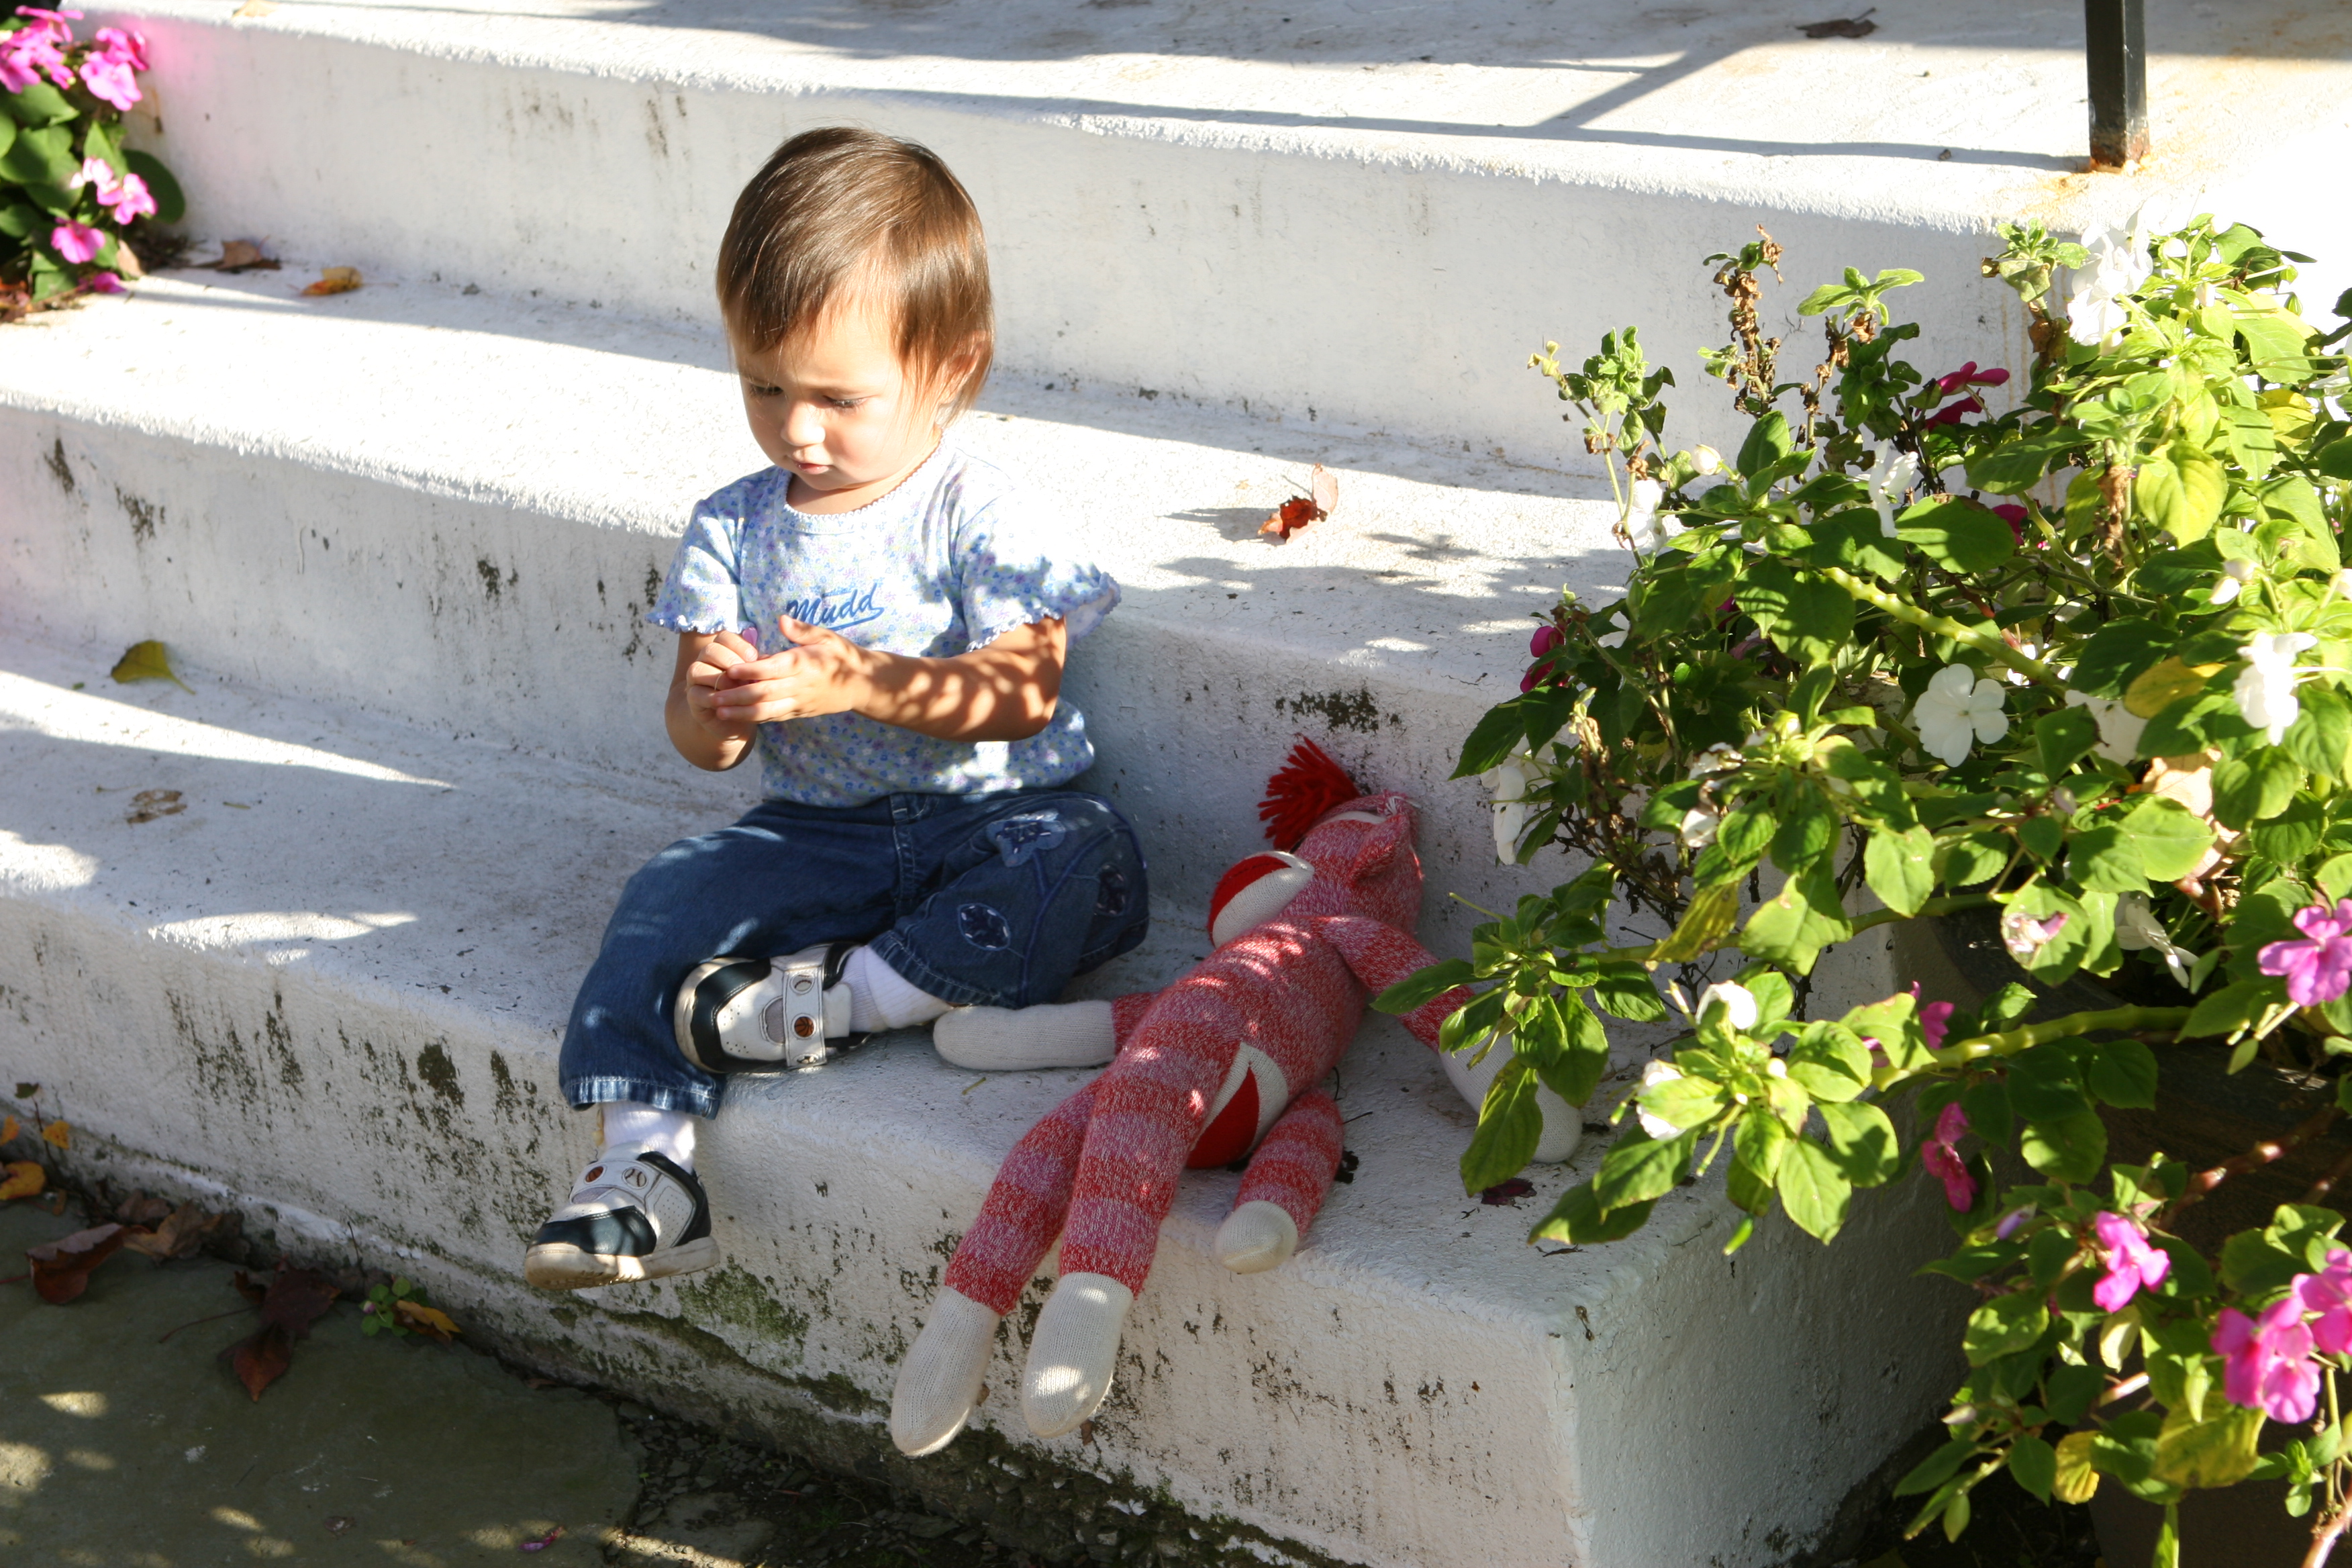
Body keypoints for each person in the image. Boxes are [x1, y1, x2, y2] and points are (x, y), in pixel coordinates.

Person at [524, 127, 1148, 1291]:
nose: (798, 430)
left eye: (838, 398)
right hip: (817, 832)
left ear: (951, 368)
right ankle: (643, 1172)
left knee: (1088, 857)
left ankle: (842, 1002)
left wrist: (862, 681)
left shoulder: (980, 510)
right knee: (667, 897)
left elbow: (1023, 693)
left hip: (991, 820)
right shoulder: (735, 526)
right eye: (764, 387)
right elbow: (701, 747)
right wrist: (718, 707)